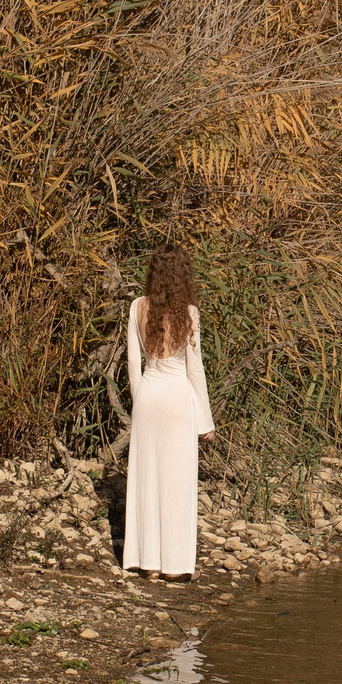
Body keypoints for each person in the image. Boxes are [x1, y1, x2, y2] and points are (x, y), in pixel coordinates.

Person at [124, 247, 214, 579]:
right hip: (177, 398)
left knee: (146, 479)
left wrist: (140, 402)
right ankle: (175, 567)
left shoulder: (137, 306)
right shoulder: (189, 313)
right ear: (183, 275)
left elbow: (133, 363)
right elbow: (195, 370)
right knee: (177, 483)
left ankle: (148, 563)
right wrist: (205, 421)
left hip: (148, 394)